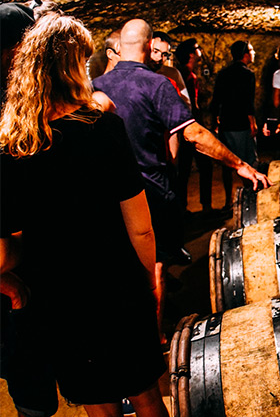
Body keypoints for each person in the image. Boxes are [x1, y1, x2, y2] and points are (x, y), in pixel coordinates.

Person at [0, 14, 180, 417]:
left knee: (101, 410)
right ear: (72, 67)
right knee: (144, 391)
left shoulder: (14, 144)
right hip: (116, 279)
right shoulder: (103, 127)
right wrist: (151, 274)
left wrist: (17, 276)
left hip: (57, 294)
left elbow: (9, 241)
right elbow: (139, 223)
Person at [1, 3, 115, 417]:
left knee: (38, 365)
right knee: (27, 381)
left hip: (30, 269)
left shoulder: (19, 102)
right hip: (12, 278)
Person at [93, 20, 268, 328]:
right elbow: (194, 134)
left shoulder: (97, 85)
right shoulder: (155, 83)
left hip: (108, 191)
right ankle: (157, 336)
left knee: (119, 261)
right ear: (149, 47)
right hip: (149, 190)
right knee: (156, 265)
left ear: (119, 47)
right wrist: (240, 164)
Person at [209, 40, 257, 211]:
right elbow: (248, 102)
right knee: (247, 161)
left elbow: (216, 101)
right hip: (242, 124)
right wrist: (253, 123)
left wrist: (215, 121)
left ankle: (228, 201)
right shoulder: (248, 74)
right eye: (251, 50)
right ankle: (250, 197)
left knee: (227, 163)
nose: (253, 53)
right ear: (245, 54)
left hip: (226, 124)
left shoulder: (223, 74)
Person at [174, 37, 213, 215]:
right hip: (190, 127)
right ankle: (205, 207)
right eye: (197, 48)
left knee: (184, 171)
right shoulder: (187, 76)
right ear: (191, 54)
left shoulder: (184, 74)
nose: (200, 52)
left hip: (184, 127)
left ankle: (183, 207)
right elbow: (190, 105)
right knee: (204, 166)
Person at [150, 31, 190, 108]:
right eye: (155, 51)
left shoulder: (173, 74)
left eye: (164, 54)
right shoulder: (136, 72)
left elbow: (187, 105)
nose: (159, 58)